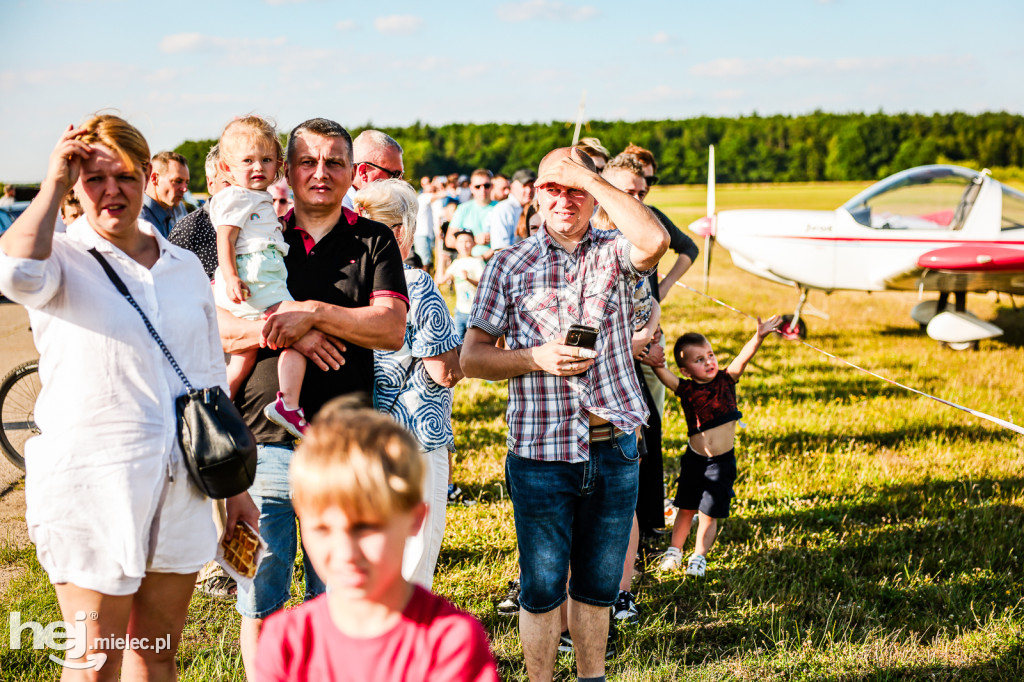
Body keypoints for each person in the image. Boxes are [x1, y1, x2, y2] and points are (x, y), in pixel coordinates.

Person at [0, 115, 258, 679]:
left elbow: (208, 380)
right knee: (95, 661)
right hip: (94, 488)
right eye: (92, 179)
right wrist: (52, 182)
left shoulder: (184, 265)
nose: (110, 190)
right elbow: (13, 271)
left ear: (146, 175)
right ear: (75, 186)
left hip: (182, 485)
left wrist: (234, 492)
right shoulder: (61, 260)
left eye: (122, 176)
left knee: (159, 657)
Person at [461, 147, 669, 682]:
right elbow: (472, 357)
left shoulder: (615, 252)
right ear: (534, 196)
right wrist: (534, 357)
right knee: (542, 588)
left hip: (615, 446)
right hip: (540, 453)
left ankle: (591, 678)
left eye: (574, 190)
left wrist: (586, 178)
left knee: (599, 588)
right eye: (553, 188)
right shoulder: (508, 264)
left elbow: (655, 241)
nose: (564, 199)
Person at [215, 117, 408, 681]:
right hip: (260, 444)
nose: (320, 172)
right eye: (307, 161)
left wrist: (317, 312)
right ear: (285, 170)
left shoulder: (373, 239)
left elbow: (391, 327)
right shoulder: (258, 231)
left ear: (352, 172)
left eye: (333, 162)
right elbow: (220, 328)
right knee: (259, 594)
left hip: (343, 451)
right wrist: (290, 330)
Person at [253, 404, 499, 682]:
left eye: (366, 527)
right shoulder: (287, 643)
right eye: (322, 528)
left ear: (414, 519)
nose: (345, 551)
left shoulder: (450, 643)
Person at [352, 178, 463, 589]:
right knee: (413, 554)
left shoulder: (347, 285)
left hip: (359, 437)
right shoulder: (414, 284)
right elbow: (444, 371)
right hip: (415, 437)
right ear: (400, 232)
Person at [655, 315, 783, 576]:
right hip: (695, 460)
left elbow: (742, 359)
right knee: (686, 507)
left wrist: (758, 337)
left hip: (721, 463)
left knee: (708, 512)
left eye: (710, 355)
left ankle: (698, 557)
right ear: (686, 370)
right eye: (699, 360)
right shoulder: (686, 388)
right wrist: (653, 359)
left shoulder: (727, 380)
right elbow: (663, 374)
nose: (709, 362)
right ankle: (675, 551)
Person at [209, 116, 309, 438]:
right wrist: (230, 278)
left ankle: (216, 406)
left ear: (278, 165)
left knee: (243, 355)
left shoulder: (258, 197)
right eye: (248, 160)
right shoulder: (235, 196)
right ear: (226, 168)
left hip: (257, 279)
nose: (258, 167)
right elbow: (224, 239)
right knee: (297, 327)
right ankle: (288, 404)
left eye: (266, 160)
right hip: (255, 283)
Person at [169, 143, 232, 280]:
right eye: (228, 183)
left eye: (240, 183)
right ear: (211, 184)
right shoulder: (189, 231)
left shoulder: (263, 223)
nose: (236, 190)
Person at [436, 229, 483, 341]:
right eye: (460, 242)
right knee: (457, 342)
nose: (464, 245)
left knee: (473, 343)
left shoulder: (477, 262)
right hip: (459, 311)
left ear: (473, 243)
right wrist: (441, 260)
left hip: (475, 312)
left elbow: (483, 285)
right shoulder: (456, 263)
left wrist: (468, 279)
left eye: (467, 241)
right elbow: (440, 279)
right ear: (456, 244)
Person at [343, 129, 404, 210]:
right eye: (395, 174)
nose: (400, 182)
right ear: (364, 172)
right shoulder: (337, 211)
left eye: (401, 175)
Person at [141, 150, 190, 238]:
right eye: (178, 181)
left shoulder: (180, 209)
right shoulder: (139, 219)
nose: (185, 189)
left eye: (187, 182)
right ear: (155, 179)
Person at [485, 168, 536, 252]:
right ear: (512, 187)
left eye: (531, 186)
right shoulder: (503, 209)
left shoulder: (536, 208)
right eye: (524, 186)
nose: (529, 190)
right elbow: (500, 248)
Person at [446, 169, 495, 252]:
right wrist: (474, 240)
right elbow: (449, 241)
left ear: (492, 186)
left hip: (497, 261)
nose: (482, 189)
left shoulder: (501, 207)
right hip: (470, 262)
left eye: (486, 186)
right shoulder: (463, 208)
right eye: (478, 186)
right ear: (471, 188)